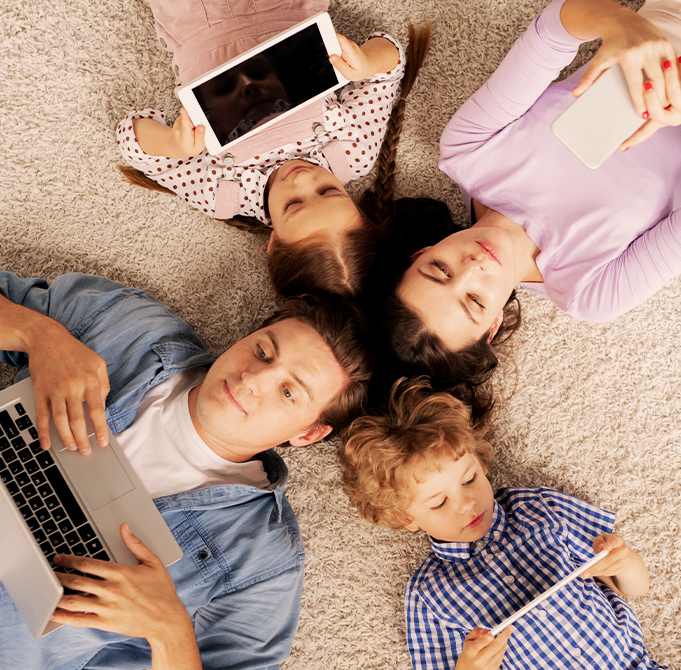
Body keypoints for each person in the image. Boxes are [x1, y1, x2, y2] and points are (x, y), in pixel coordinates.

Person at [0, 271, 372, 670]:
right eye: (263, 352)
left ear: (309, 433)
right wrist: (37, 333)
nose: (253, 378)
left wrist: (168, 630)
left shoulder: (264, 562)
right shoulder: (130, 325)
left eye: (288, 392)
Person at [378, 0, 681, 403]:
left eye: (440, 269)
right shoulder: (590, 292)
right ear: (492, 325)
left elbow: (553, 31)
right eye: (474, 300)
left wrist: (620, 22)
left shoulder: (467, 151)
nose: (474, 267)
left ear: (422, 251)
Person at [339, 377, 664, 670]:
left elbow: (637, 587)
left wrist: (623, 560)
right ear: (407, 517)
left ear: (480, 463)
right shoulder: (429, 596)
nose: (467, 503)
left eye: (469, 479)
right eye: (439, 502)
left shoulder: (540, 508)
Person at [117, 0, 431, 297]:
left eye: (294, 204)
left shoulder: (224, 195)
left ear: (273, 241)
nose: (303, 180)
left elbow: (132, 142)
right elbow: (391, 66)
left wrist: (173, 144)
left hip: (196, 19)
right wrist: (366, 63)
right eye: (328, 192)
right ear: (355, 204)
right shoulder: (354, 154)